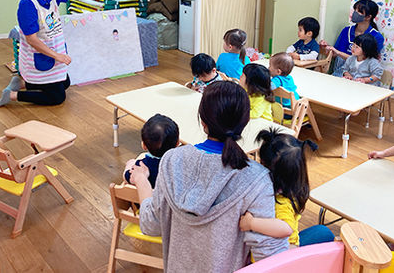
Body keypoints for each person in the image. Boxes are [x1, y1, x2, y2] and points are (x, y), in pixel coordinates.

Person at [128, 81, 288, 272]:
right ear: (244, 124)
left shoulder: (171, 160)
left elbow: (150, 224)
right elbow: (269, 258)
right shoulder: (256, 179)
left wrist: (141, 181)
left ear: (203, 123)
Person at [0, 0, 92, 107]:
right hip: (38, 56)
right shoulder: (27, 4)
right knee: (57, 97)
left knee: (65, 83)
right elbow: (32, 40)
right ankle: (13, 95)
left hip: (52, 53)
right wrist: (57, 55)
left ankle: (22, 82)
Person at [239, 129, 335, 247]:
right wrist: (252, 222)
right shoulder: (288, 194)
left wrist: (251, 223)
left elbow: (286, 228)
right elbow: (285, 228)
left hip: (284, 254)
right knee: (324, 232)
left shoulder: (279, 202)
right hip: (284, 253)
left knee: (323, 232)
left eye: (261, 163)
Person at [320, 0, 384, 77]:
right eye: (355, 10)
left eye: (359, 11)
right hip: (340, 73)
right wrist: (328, 48)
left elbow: (366, 62)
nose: (354, 13)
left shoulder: (376, 37)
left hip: (361, 78)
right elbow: (336, 55)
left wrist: (338, 53)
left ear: (368, 17)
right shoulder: (346, 31)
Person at [123, 114, 179, 188]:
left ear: (143, 145)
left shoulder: (141, 166)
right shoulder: (180, 164)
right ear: (177, 144)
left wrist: (129, 165)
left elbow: (126, 178)